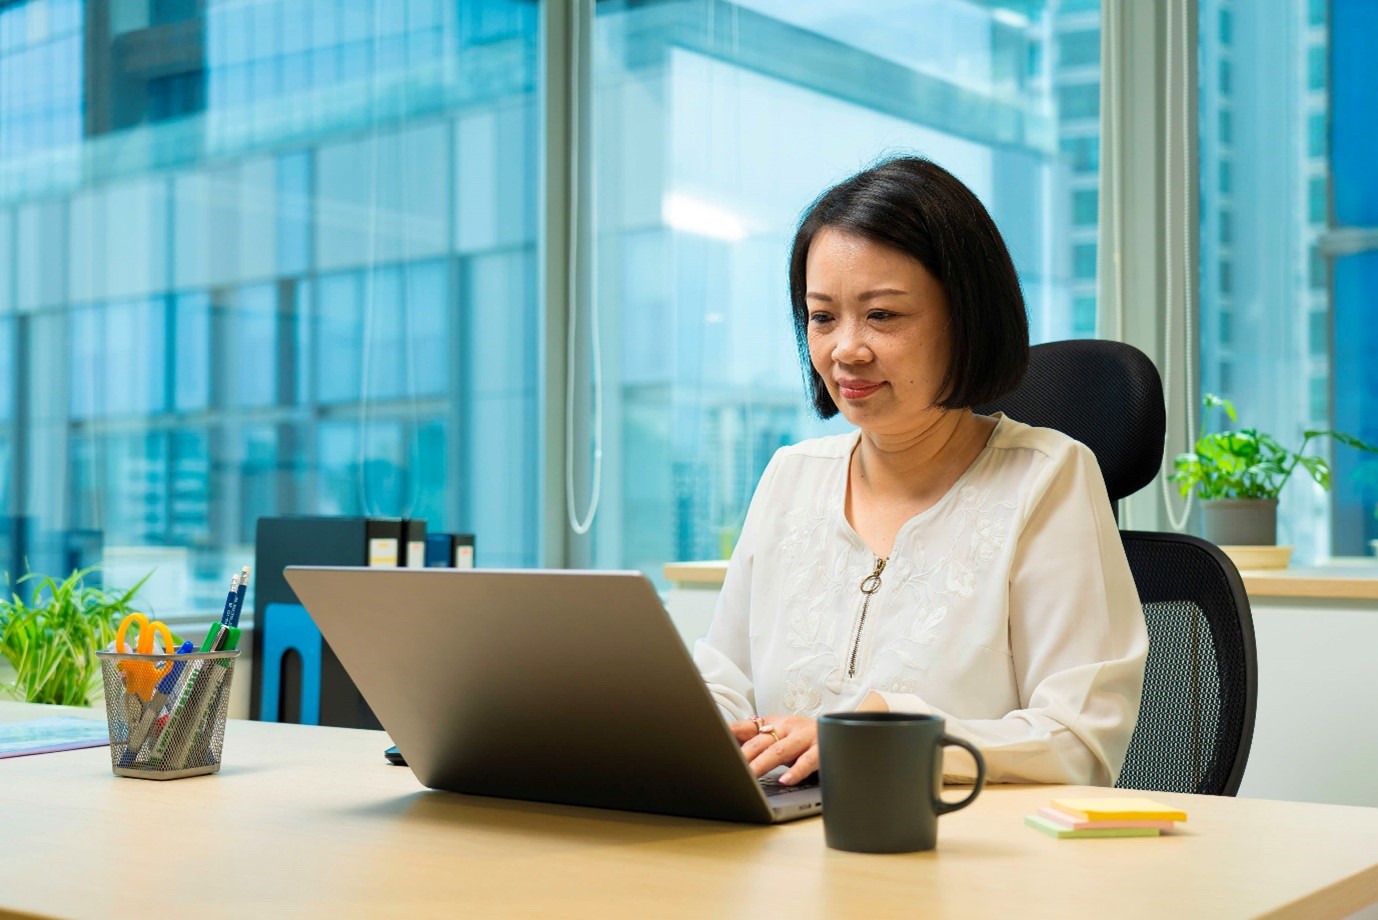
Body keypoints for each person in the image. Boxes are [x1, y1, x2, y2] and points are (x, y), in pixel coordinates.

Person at [694, 156, 1149, 788]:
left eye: (882, 315)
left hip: (957, 857)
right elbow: (724, 679)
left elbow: (1077, 742)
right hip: (782, 842)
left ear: (965, 321)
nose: (844, 349)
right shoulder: (790, 475)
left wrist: (881, 731)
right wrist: (692, 727)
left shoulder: (1048, 478)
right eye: (822, 316)